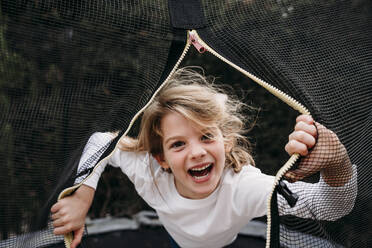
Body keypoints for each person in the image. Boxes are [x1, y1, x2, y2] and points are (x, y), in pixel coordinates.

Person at [51, 68, 356, 248]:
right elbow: (102, 142)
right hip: (176, 240)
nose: (196, 152)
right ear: (162, 158)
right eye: (178, 144)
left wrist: (337, 162)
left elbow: (328, 206)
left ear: (227, 141)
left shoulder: (244, 187)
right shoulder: (148, 171)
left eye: (207, 137)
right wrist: (82, 196)